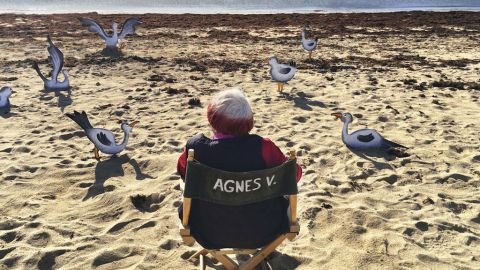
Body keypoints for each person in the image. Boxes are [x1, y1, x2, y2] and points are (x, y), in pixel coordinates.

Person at [177, 88, 302, 249]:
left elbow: (184, 173)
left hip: (207, 231)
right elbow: (294, 175)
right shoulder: (264, 147)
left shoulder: (196, 148)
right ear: (249, 121)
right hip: (264, 231)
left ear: (212, 119)